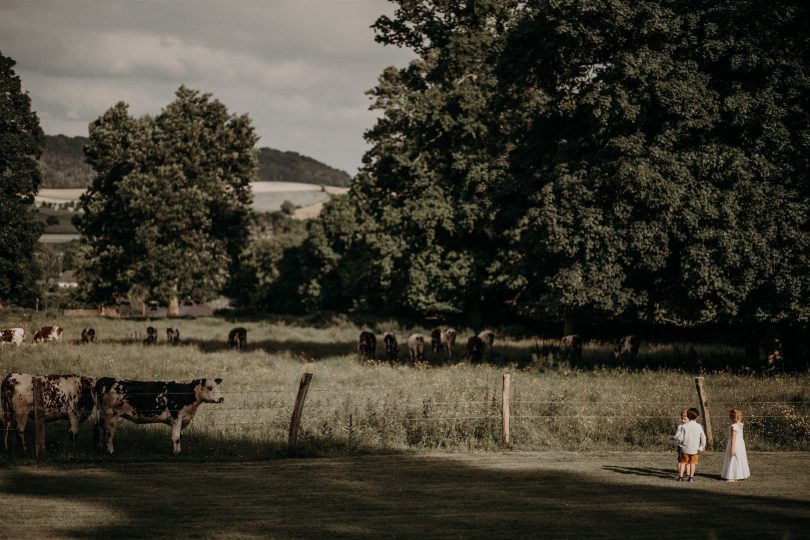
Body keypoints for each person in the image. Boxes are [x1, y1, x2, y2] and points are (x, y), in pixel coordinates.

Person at [674, 407, 706, 482]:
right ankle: (691, 477)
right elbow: (703, 438)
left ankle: (680, 477)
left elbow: (681, 438)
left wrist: (675, 438)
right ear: (697, 417)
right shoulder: (699, 426)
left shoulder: (684, 426)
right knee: (693, 463)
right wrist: (701, 447)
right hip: (695, 449)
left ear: (688, 416)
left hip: (685, 448)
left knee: (683, 462)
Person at [721, 408, 751, 482]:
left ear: (732, 417)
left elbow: (733, 438)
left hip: (735, 444)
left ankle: (733, 476)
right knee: (739, 459)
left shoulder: (733, 426)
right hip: (740, 444)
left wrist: (732, 448)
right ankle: (740, 474)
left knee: (733, 459)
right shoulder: (741, 424)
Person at [671, 409, 689, 479]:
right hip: (681, 446)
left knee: (688, 461)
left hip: (689, 446)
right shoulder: (680, 426)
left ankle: (688, 473)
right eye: (682, 418)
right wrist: (675, 438)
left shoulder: (691, 426)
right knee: (680, 460)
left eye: (685, 418)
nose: (683, 420)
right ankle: (681, 473)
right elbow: (677, 435)